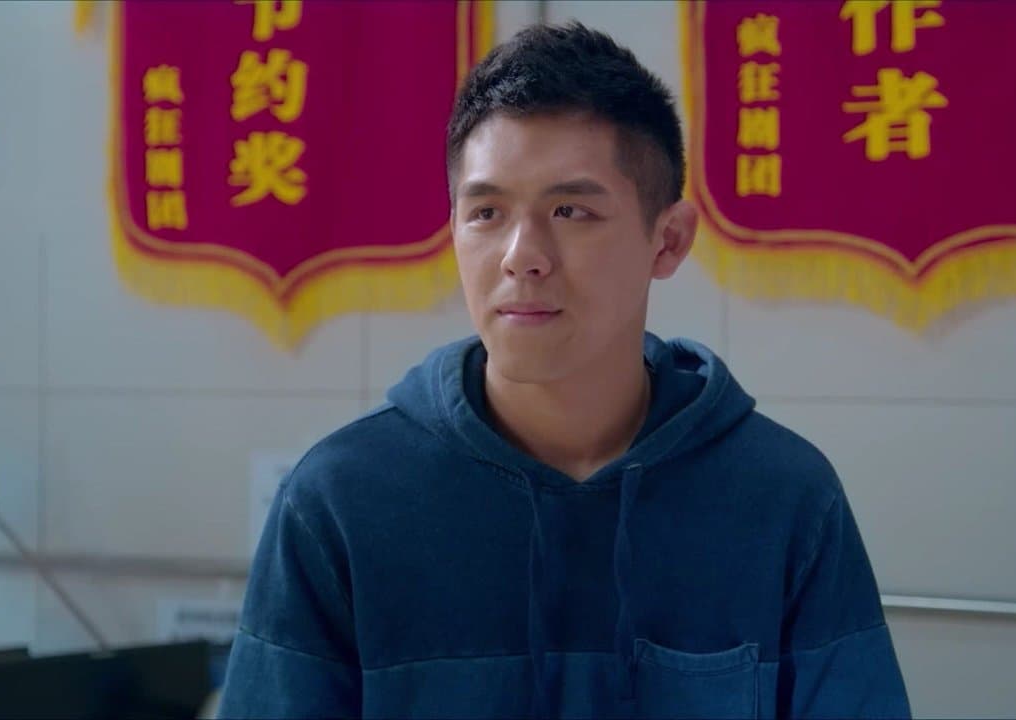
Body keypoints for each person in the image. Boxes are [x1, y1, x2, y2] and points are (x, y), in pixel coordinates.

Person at [219, 21, 910, 719]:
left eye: (570, 210)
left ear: (668, 240)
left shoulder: (783, 499)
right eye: (487, 212)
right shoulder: (341, 501)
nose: (522, 255)